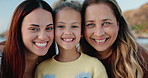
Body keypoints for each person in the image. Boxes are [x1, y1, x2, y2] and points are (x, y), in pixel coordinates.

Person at [35, 0, 108, 78]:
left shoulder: (94, 66)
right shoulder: (42, 69)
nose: (68, 32)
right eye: (61, 26)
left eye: (74, 26)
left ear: (82, 31)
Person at [80, 0, 148, 78]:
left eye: (106, 23)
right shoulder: (72, 58)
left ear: (118, 24)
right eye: (90, 24)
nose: (99, 33)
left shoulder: (142, 60)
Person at [0, 0, 56, 78]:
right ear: (18, 30)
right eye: (33, 29)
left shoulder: (53, 64)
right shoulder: (2, 60)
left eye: (49, 28)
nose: (42, 36)